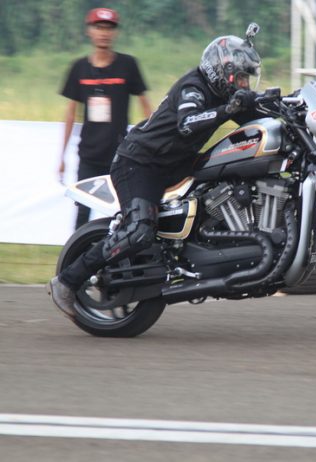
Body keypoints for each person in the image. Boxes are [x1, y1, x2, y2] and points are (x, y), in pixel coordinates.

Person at [47, 27, 263, 318]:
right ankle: (67, 281)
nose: (244, 84)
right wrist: (230, 108)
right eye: (241, 77)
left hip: (176, 164)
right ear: (222, 72)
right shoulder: (194, 87)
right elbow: (188, 122)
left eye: (247, 79)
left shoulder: (224, 94)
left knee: (231, 175)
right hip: (140, 163)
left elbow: (258, 115)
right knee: (139, 231)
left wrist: (290, 104)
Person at [59, 7, 152, 229]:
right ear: (89, 31)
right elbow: (70, 113)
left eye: (109, 28)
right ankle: (78, 251)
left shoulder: (128, 65)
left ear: (115, 32)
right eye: (98, 27)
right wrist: (61, 156)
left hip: (120, 156)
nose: (103, 33)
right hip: (89, 156)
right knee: (82, 213)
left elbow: (146, 108)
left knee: (124, 212)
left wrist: (153, 143)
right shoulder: (79, 68)